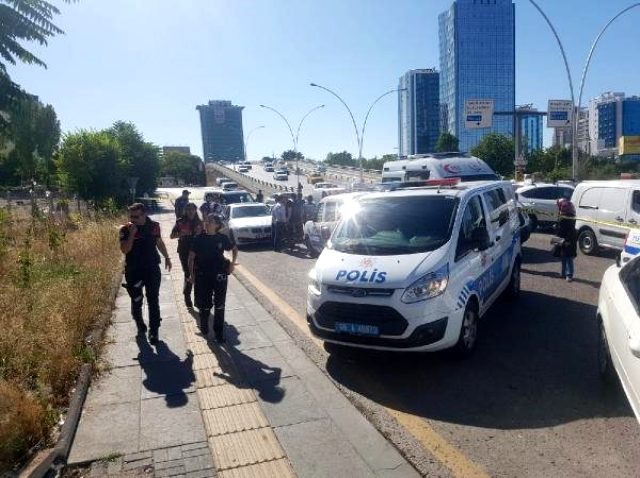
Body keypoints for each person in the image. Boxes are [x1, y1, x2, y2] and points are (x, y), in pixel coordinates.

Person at [119, 203, 172, 344]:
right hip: (133, 271)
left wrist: (167, 257)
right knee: (136, 299)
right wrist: (132, 233)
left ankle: (154, 331)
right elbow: (125, 250)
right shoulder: (125, 229)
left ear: (144, 214)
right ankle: (139, 321)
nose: (133, 219)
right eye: (131, 216)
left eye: (136, 216)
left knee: (153, 300)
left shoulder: (154, 226)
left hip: (152, 269)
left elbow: (159, 242)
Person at [188, 214, 238, 342]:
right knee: (204, 305)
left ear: (217, 225)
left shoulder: (222, 238)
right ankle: (204, 325)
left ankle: (219, 333)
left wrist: (232, 265)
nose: (206, 223)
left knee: (220, 305)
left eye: (210, 221)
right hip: (202, 275)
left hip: (220, 275)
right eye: (206, 221)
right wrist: (191, 275)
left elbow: (234, 249)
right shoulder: (198, 238)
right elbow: (191, 258)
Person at [170, 202, 202, 308]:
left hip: (198, 251)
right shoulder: (180, 222)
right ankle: (187, 296)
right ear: (185, 210)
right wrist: (181, 233)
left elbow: (206, 234)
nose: (190, 211)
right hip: (184, 251)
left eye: (192, 209)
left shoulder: (200, 222)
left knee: (198, 274)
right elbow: (171, 236)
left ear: (195, 210)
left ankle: (198, 299)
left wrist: (200, 232)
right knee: (188, 273)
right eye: (188, 209)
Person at [556, 198, 577, 282]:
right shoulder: (563, 215)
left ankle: (569, 275)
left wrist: (567, 240)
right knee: (563, 256)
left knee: (568, 257)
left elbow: (569, 230)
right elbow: (560, 228)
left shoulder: (569, 217)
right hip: (562, 238)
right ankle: (563, 273)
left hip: (568, 239)